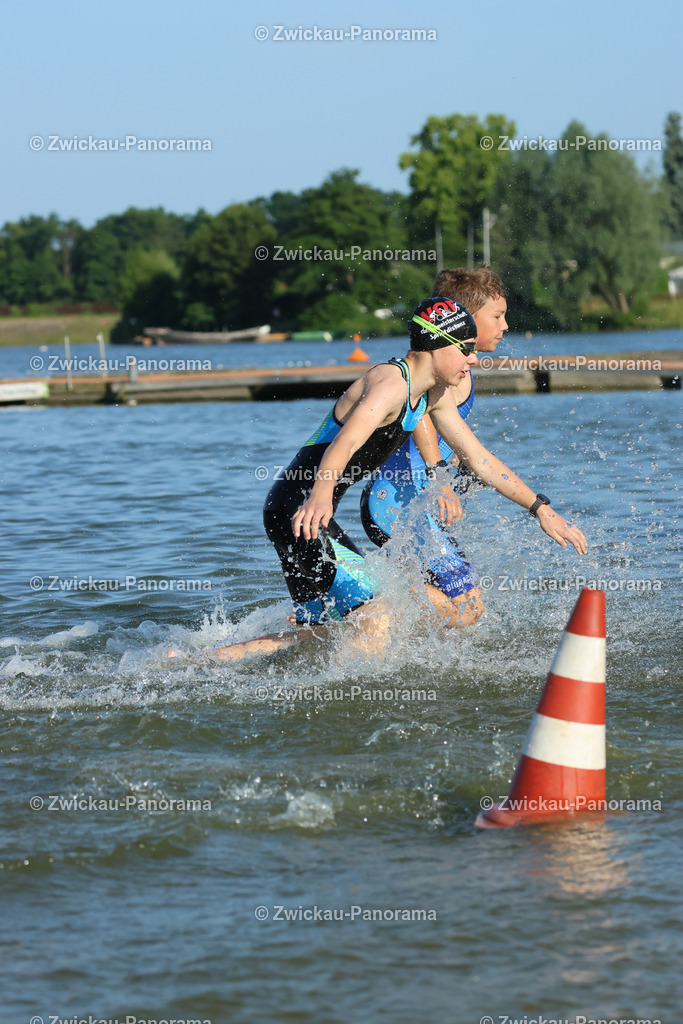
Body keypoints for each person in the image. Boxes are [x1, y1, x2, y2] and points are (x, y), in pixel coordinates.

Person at [215, 296, 586, 660]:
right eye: (466, 348)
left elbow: (480, 459)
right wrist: (321, 496)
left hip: (308, 514)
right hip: (299, 512)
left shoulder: (431, 394)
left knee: (333, 631)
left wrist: (540, 508)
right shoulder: (391, 383)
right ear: (436, 344)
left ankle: (200, 663)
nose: (473, 359)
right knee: (377, 615)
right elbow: (343, 444)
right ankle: (354, 702)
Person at [360, 266, 509, 622]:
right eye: (497, 316)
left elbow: (455, 439)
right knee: (467, 606)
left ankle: (363, 611)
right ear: (464, 320)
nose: (505, 326)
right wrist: (440, 476)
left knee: (463, 606)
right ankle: (369, 603)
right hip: (393, 506)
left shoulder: (458, 367)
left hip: (417, 508)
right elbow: (419, 418)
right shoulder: (429, 374)